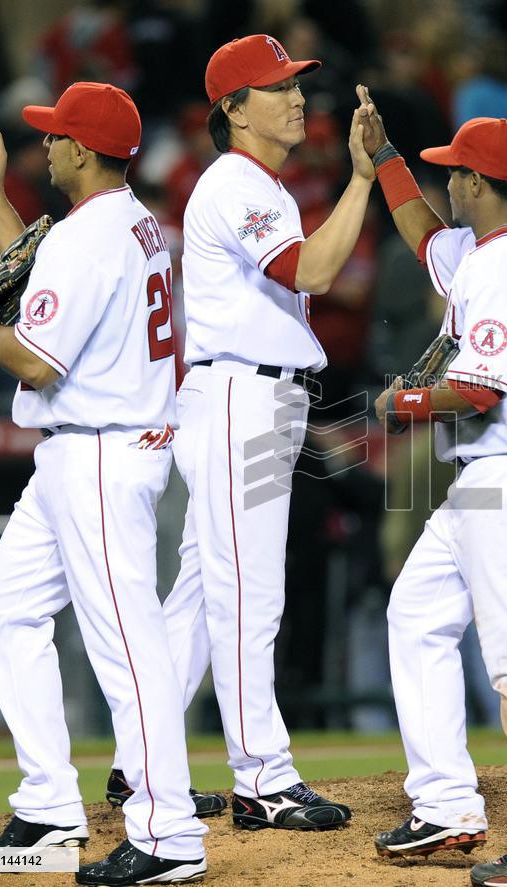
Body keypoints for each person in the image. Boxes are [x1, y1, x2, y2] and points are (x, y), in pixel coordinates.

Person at [108, 34, 373, 831]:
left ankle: (136, 758)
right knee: (245, 595)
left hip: (248, 398)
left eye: (298, 84)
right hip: (238, 400)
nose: (298, 97)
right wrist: (363, 179)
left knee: (197, 593)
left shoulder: (255, 183)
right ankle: (264, 775)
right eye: (278, 86)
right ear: (232, 108)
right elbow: (314, 273)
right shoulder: (234, 181)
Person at [0, 83, 208, 885]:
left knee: (128, 648)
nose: (48, 147)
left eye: (57, 137)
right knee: (9, 604)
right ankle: (50, 804)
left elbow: (34, 355)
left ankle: (169, 837)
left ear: (84, 151)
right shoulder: (126, 223)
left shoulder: (88, 238)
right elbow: (45, 282)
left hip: (100, 452)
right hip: (90, 449)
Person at [360, 90, 507, 887]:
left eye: (453, 171)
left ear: (478, 182)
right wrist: (386, 158)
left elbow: (480, 389)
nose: (446, 182)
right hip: (488, 471)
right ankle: (448, 805)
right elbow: (424, 235)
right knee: (418, 612)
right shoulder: (486, 246)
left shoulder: (506, 265)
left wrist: (405, 402)